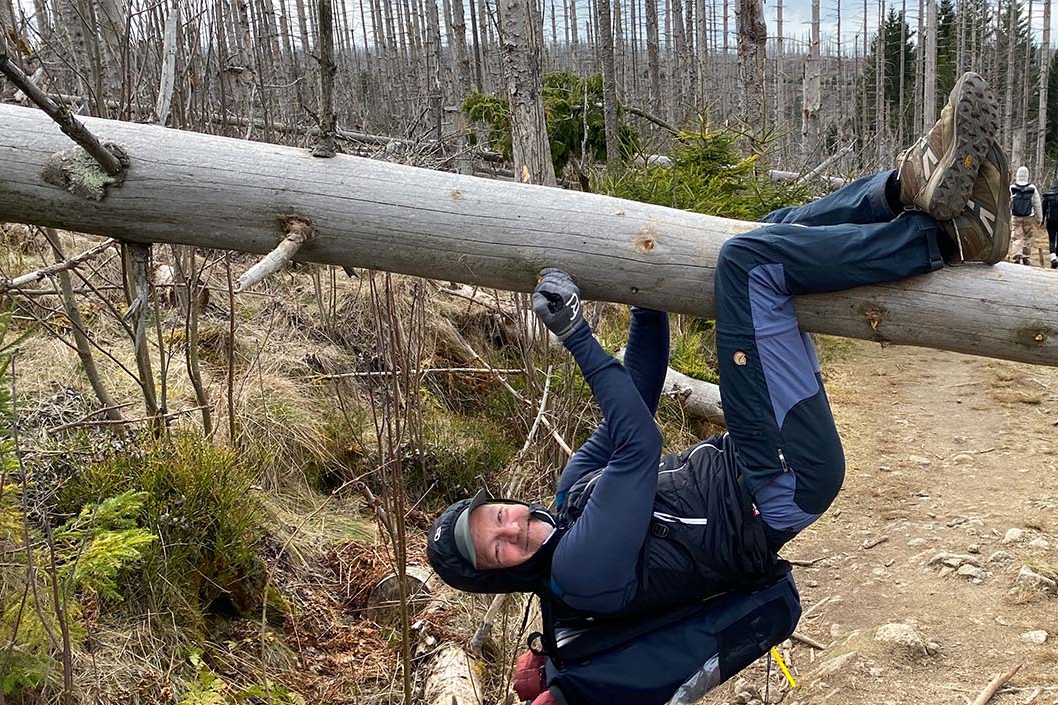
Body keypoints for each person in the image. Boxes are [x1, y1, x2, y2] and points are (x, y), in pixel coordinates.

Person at [424, 72, 1012, 623]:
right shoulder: (580, 572)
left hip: (757, 458)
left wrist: (644, 295)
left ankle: (905, 185)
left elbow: (641, 392)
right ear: (501, 576)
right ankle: (944, 237)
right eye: (498, 549)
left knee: (767, 232)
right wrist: (576, 333)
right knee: (749, 263)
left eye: (497, 516)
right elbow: (639, 443)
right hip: (783, 479)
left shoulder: (571, 491)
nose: (513, 529)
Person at [1008, 166, 1040, 265]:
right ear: (1027, 175)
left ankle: (1017, 255)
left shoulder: (1012, 188)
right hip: (1028, 216)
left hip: (1015, 216)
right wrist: (1040, 218)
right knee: (1027, 237)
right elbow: (1037, 204)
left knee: (1016, 236)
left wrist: (1007, 214)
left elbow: (1008, 202)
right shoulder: (1032, 188)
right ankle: (1026, 257)